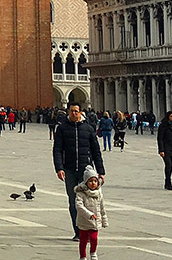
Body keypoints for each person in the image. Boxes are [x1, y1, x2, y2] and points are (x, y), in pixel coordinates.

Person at [53, 102, 105, 241]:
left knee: (87, 202)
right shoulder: (62, 129)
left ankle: (86, 229)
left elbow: (96, 151)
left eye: (76, 111)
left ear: (80, 112)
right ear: (68, 112)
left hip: (85, 171)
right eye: (71, 111)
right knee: (73, 202)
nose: (74, 113)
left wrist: (100, 171)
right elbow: (57, 150)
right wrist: (59, 168)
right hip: (69, 169)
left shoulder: (88, 129)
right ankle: (78, 232)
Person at [74, 166, 107, 260]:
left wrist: (104, 221)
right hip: (84, 221)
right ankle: (83, 256)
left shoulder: (98, 194)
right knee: (83, 240)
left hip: (95, 221)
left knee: (94, 238)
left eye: (95, 181)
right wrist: (89, 214)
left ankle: (93, 252)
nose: (93, 183)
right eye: (91, 181)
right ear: (86, 182)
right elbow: (79, 206)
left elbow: (102, 208)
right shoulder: (81, 193)